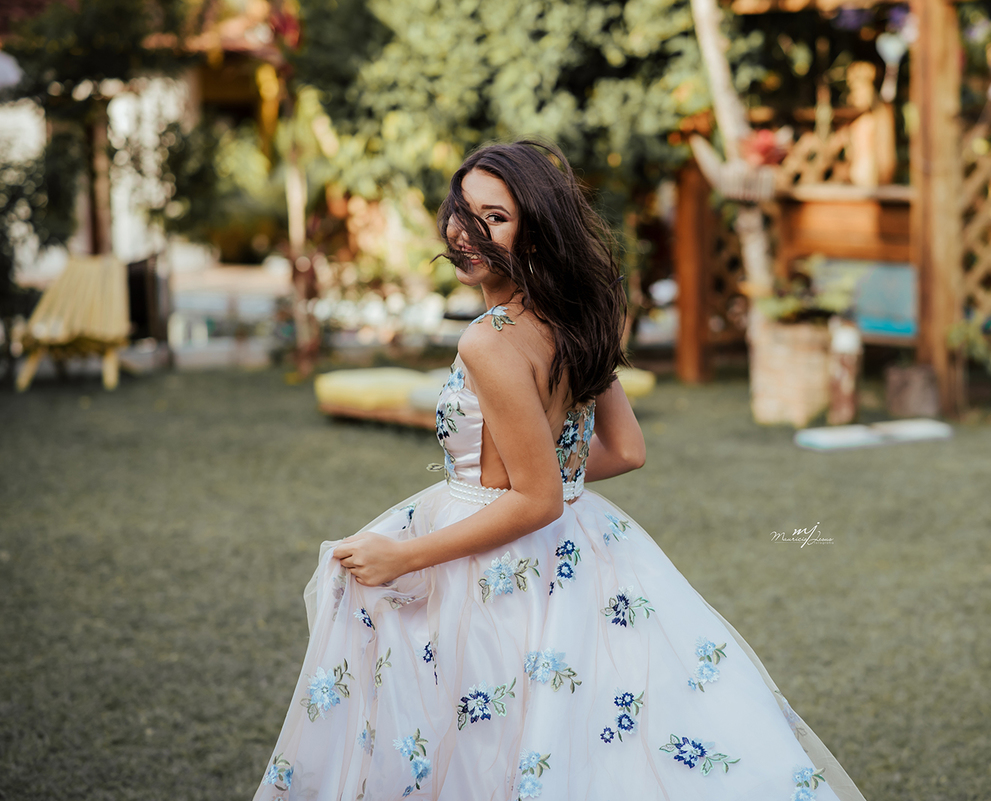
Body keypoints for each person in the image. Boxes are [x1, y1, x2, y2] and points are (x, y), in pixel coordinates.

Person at [253, 140, 865, 801]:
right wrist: (549, 474)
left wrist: (404, 557)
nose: (466, 232)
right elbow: (624, 451)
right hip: (579, 550)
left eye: (495, 218)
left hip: (496, 567)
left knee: (486, 743)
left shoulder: (489, 339)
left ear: (535, 231)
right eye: (463, 211)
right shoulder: (573, 319)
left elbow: (537, 498)